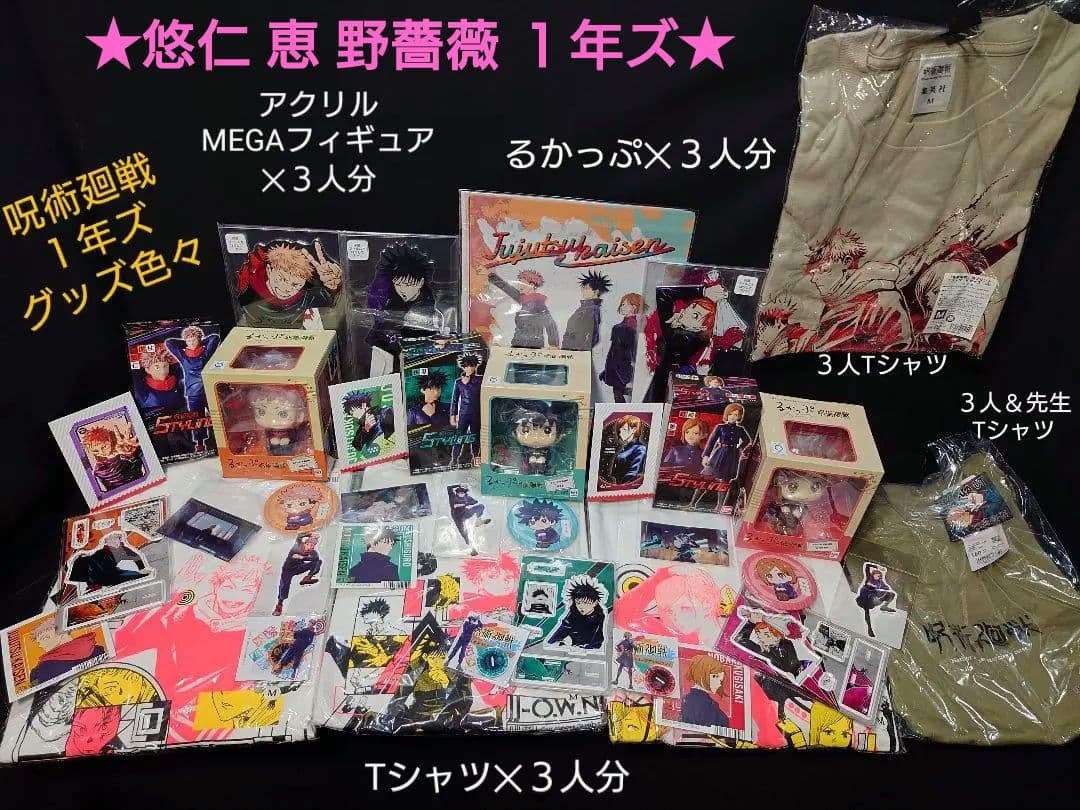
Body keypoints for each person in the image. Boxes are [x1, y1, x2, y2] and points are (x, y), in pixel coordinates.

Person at [236, 239, 342, 328]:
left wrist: (332, 288)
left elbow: (328, 305)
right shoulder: (249, 293)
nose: (286, 288)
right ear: (269, 270)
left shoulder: (309, 299)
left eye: (296, 285)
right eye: (282, 279)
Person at [164, 325, 220, 452]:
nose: (191, 343)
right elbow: (169, 342)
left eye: (193, 340)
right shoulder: (183, 356)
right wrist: (186, 340)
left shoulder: (206, 353)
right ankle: (200, 444)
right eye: (189, 341)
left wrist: (200, 339)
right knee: (197, 419)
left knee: (217, 416)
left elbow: (214, 338)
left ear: (199, 339)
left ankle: (220, 439)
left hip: (208, 390)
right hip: (193, 394)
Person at [487, 268, 559, 348]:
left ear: (531, 285)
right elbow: (507, 288)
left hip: (533, 345)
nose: (519, 285)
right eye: (519, 283)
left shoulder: (538, 303)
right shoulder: (523, 299)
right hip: (518, 342)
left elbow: (550, 324)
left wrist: (553, 344)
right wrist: (491, 276)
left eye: (522, 283)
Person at [27, 623, 106, 686]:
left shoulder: (42, 670)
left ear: (62, 634)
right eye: (39, 642)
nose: (40, 645)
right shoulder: (97, 649)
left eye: (44, 638)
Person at [67, 532, 148, 591]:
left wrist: (142, 568)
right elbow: (111, 576)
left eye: (116, 538)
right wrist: (137, 575)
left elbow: (135, 556)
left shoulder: (121, 549)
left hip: (100, 575)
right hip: (88, 573)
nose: (114, 541)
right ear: (106, 541)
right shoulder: (102, 552)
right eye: (111, 538)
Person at [600, 293, 644, 402]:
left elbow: (627, 350)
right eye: (622, 304)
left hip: (621, 367)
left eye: (625, 304)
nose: (622, 307)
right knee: (618, 393)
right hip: (616, 366)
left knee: (619, 395)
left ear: (634, 307)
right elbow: (613, 350)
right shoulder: (622, 326)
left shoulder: (629, 326)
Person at [80, 423, 145, 492]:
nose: (102, 452)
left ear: (110, 440)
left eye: (104, 447)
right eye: (96, 451)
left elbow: (139, 463)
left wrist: (131, 452)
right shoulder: (98, 469)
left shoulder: (123, 453)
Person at [547, 577, 606, 650]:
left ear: (595, 603)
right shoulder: (572, 616)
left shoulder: (600, 618)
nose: (581, 607)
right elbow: (555, 638)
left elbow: (597, 642)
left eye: (586, 603)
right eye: (578, 603)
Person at [562, 270, 612, 350]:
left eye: (586, 288)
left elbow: (594, 337)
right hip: (570, 351)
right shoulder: (584, 308)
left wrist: (580, 351)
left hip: (576, 352)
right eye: (583, 288)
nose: (582, 291)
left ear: (596, 291)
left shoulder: (592, 309)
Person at [273, 532, 321, 616]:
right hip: (288, 570)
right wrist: (310, 534)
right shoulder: (297, 546)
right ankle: (279, 604)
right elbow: (299, 536)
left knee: (318, 562)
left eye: (312, 546)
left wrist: (303, 557)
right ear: (304, 543)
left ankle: (307, 578)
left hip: (299, 567)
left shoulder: (313, 552)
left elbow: (315, 558)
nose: (310, 547)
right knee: (284, 586)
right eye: (308, 545)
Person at [449, 352, 483, 467]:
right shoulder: (458, 382)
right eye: (467, 366)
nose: (470, 368)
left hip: (477, 413)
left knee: (476, 436)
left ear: (475, 366)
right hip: (463, 413)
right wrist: (453, 416)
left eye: (472, 365)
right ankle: (454, 459)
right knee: (459, 436)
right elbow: (454, 400)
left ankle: (476, 457)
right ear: (463, 367)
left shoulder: (480, 380)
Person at [680, 654, 730, 729]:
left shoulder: (687, 699)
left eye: (720, 680)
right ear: (701, 674)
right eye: (715, 677)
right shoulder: (705, 704)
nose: (719, 683)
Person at [855, 563, 896, 638]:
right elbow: (867, 566)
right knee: (866, 610)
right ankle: (869, 628)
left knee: (891, 594)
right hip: (864, 599)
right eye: (878, 576)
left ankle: (884, 606)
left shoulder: (880, 582)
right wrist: (878, 567)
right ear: (873, 575)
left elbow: (886, 588)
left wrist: (882, 590)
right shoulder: (869, 578)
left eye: (880, 576)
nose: (879, 577)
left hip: (873, 600)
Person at [448, 485, 490, 555]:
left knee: (480, 506)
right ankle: (472, 549)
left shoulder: (466, 497)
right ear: (457, 493)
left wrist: (468, 503)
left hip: (466, 513)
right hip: (457, 517)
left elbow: (475, 501)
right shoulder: (453, 497)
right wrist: (458, 485)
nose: (462, 494)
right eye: (460, 493)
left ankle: (478, 520)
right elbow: (449, 488)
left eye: (463, 493)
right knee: (464, 534)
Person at [608, 415, 648, 485]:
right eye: (619, 431)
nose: (620, 434)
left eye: (624, 429)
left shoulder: (640, 449)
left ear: (634, 430)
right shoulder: (626, 448)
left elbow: (633, 474)